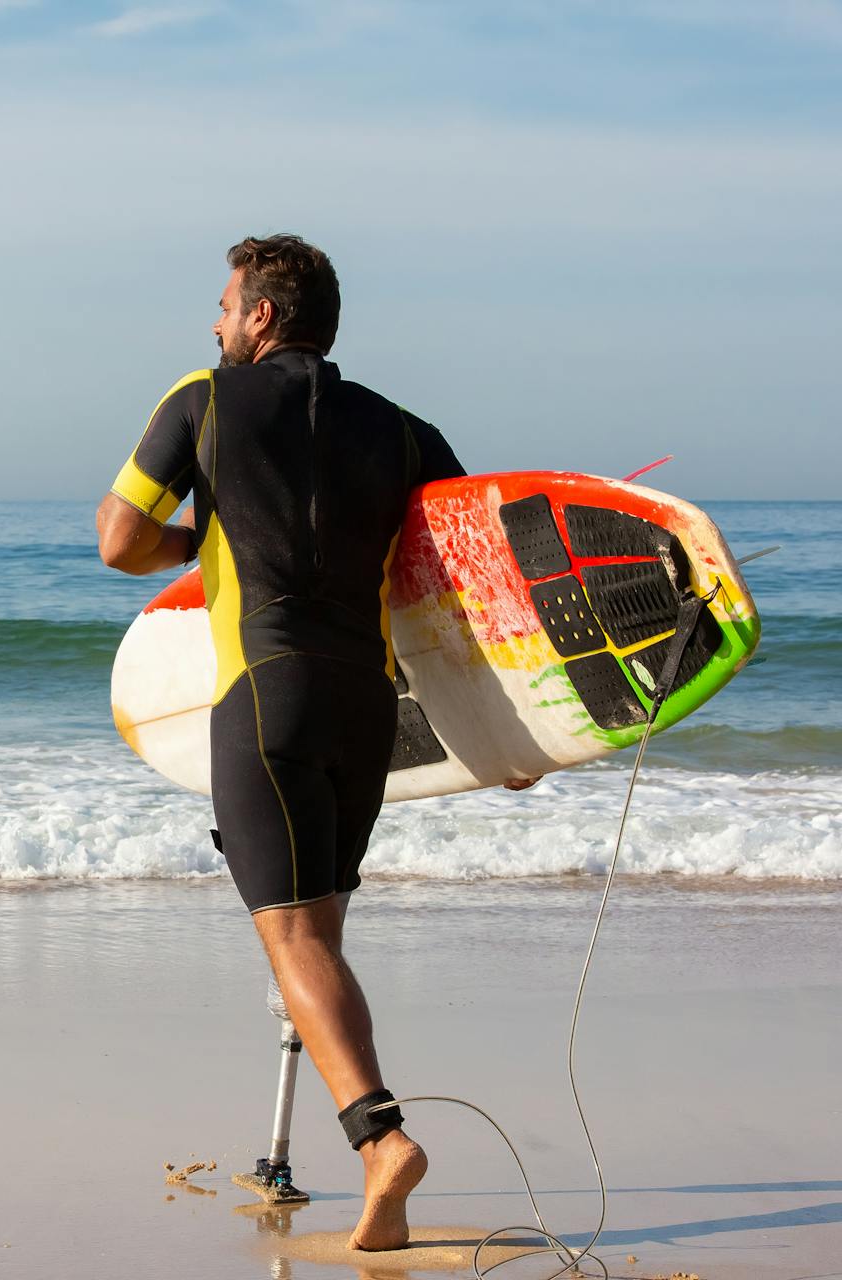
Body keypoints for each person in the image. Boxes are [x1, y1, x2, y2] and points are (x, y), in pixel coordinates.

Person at [96, 234, 514, 1251]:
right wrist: (506, 736)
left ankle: (380, 1137)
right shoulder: (405, 429)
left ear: (263, 317)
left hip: (267, 697)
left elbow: (118, 540)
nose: (215, 323)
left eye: (226, 306)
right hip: (366, 710)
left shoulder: (205, 398)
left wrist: (203, 537)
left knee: (292, 937)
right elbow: (459, 578)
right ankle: (360, 1150)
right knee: (315, 934)